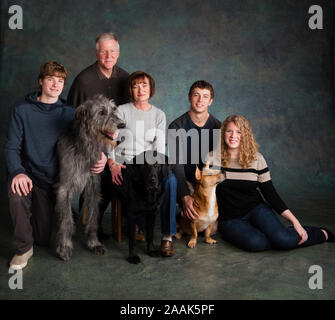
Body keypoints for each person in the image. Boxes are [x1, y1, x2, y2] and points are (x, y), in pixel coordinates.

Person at [213, 115, 335, 252]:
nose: (233, 136)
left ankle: (320, 233)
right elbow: (203, 190)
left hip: (256, 210)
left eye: (238, 132)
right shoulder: (213, 159)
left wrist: (295, 222)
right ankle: (256, 235)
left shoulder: (256, 159)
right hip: (230, 219)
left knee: (284, 240)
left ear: (245, 135)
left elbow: (270, 194)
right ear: (223, 133)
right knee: (258, 244)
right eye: (229, 131)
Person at [108, 70, 177, 257]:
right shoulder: (121, 111)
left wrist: (156, 167)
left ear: (151, 88)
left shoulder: (158, 115)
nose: (140, 89)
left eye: (144, 85)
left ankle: (167, 236)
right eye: (136, 85)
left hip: (149, 165)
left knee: (170, 180)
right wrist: (112, 162)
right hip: (125, 163)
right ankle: (139, 225)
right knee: (133, 187)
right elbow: (110, 140)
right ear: (131, 89)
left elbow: (159, 147)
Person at [67, 32, 130, 235]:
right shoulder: (83, 81)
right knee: (97, 168)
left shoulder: (125, 78)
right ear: (97, 54)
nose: (108, 55)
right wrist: (100, 152)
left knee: (137, 169)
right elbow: (73, 120)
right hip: (90, 144)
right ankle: (92, 222)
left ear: (118, 54)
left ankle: (133, 221)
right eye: (104, 52)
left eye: (112, 51)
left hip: (121, 141)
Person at [168, 80, 221, 232]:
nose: (200, 100)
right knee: (170, 180)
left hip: (208, 183)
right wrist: (185, 196)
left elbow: (218, 164)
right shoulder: (176, 126)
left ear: (210, 101)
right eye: (196, 95)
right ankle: (172, 229)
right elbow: (176, 165)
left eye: (205, 96)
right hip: (186, 180)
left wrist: (209, 188)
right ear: (189, 97)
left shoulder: (218, 126)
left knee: (213, 230)